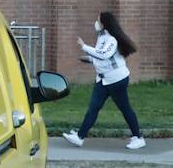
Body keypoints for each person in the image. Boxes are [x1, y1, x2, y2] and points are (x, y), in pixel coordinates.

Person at [62, 11, 145, 149]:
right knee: (93, 108)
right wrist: (87, 58)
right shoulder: (102, 37)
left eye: (98, 20)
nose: (96, 23)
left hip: (117, 80)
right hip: (103, 80)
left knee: (125, 108)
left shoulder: (112, 39)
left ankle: (138, 138)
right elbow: (99, 56)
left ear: (104, 24)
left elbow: (105, 55)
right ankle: (79, 137)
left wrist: (84, 46)